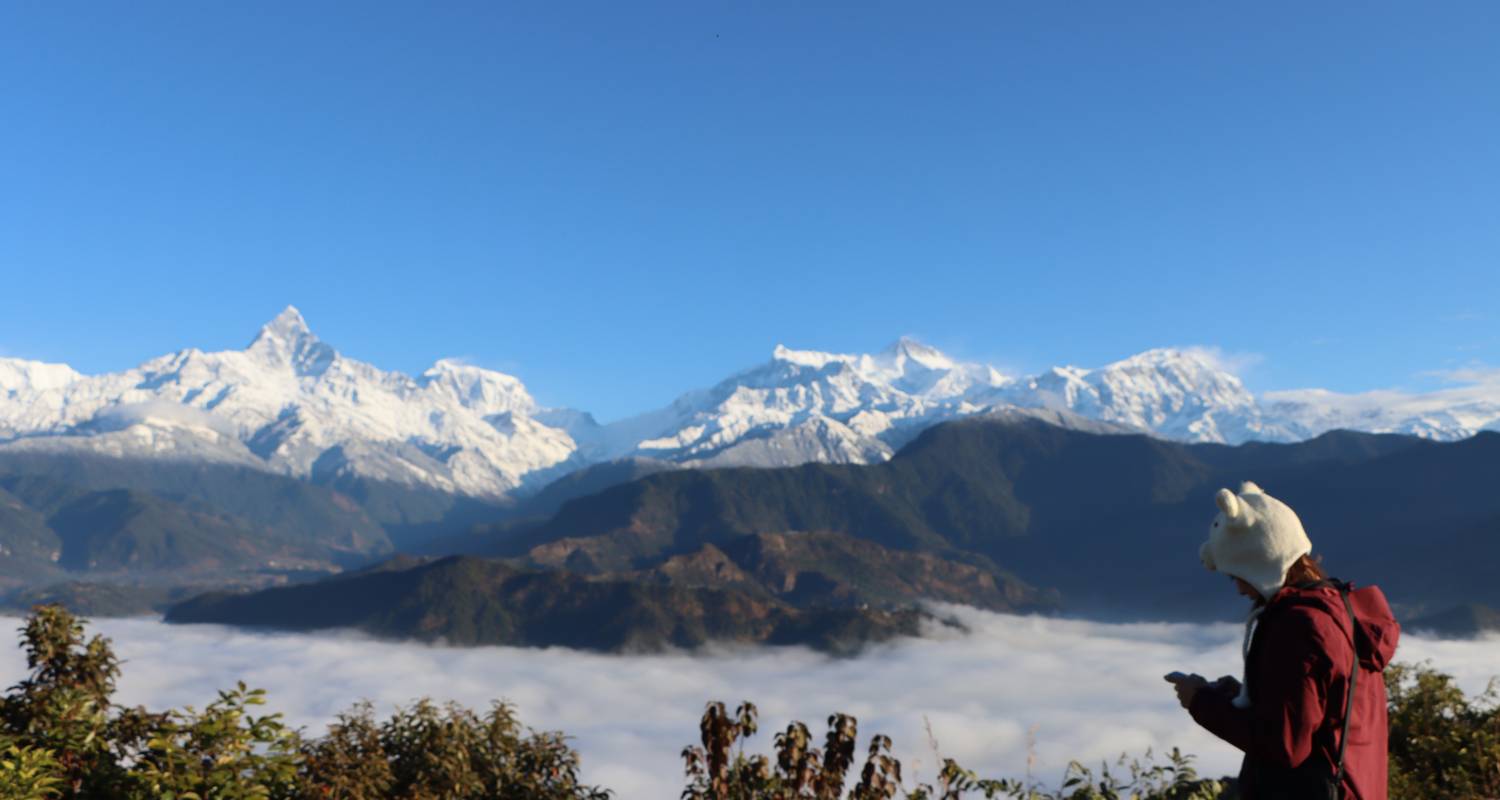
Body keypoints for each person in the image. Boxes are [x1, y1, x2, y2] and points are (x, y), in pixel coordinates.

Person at [1165, 481, 1400, 800]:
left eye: (1238, 575)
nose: (1239, 590)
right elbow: (1314, 714)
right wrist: (1240, 695)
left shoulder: (1299, 626)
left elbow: (1285, 745)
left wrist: (1201, 702)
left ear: (1261, 565)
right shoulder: (1339, 609)